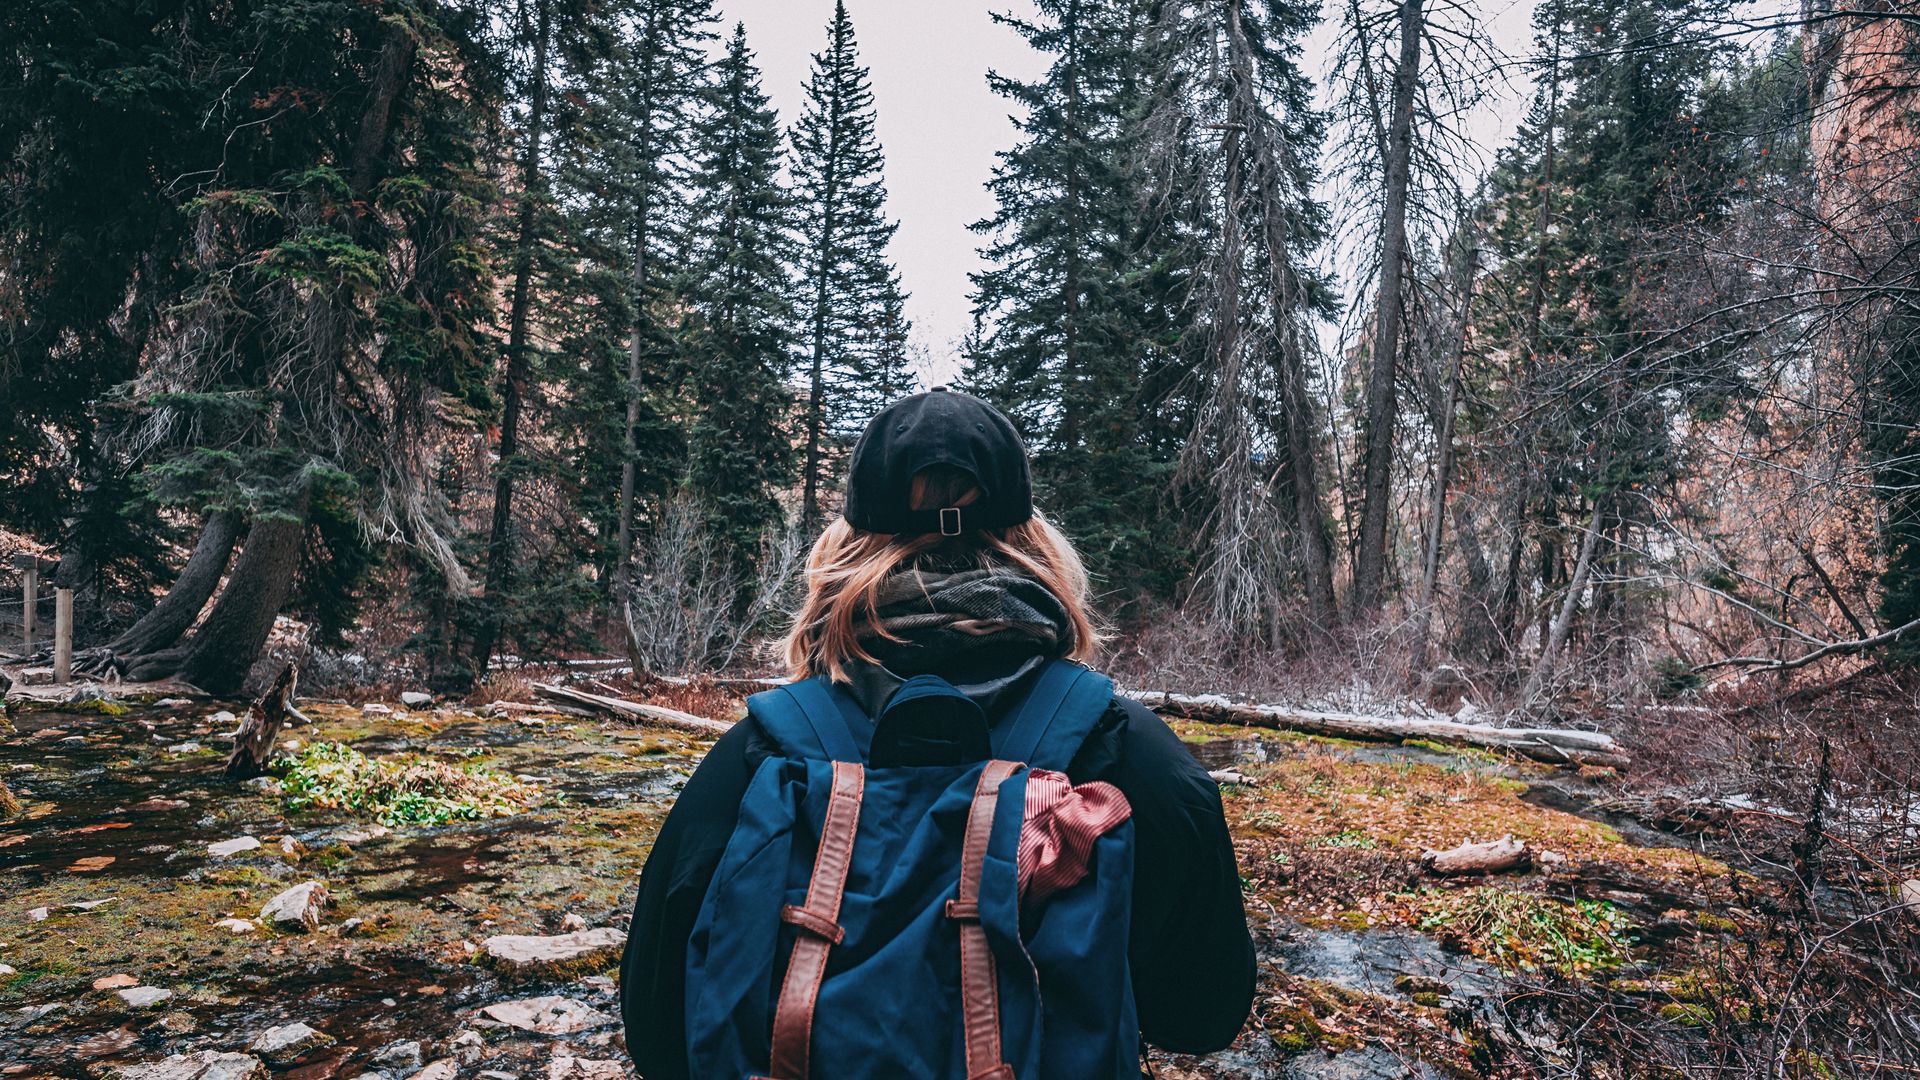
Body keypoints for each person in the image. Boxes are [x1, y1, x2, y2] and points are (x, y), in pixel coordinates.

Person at [620, 388, 1253, 1078]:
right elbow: (1203, 1016)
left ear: (850, 548)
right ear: (1030, 543)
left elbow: (659, 1033)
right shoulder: (1131, 750)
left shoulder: (758, 751)